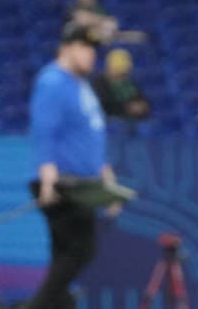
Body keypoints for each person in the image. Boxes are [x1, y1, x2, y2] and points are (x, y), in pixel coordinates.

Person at [28, 22, 122, 309]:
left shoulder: (81, 86)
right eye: (85, 47)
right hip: (64, 185)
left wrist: (106, 178)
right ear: (67, 47)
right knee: (81, 250)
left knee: (65, 257)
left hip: (84, 183)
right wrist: (47, 179)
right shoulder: (53, 81)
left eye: (94, 49)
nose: (92, 55)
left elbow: (89, 135)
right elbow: (44, 132)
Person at [93, 48, 152, 120]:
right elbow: (103, 106)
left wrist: (142, 107)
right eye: (119, 71)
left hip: (133, 121)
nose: (122, 76)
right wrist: (127, 108)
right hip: (112, 122)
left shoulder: (129, 83)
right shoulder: (99, 83)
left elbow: (143, 101)